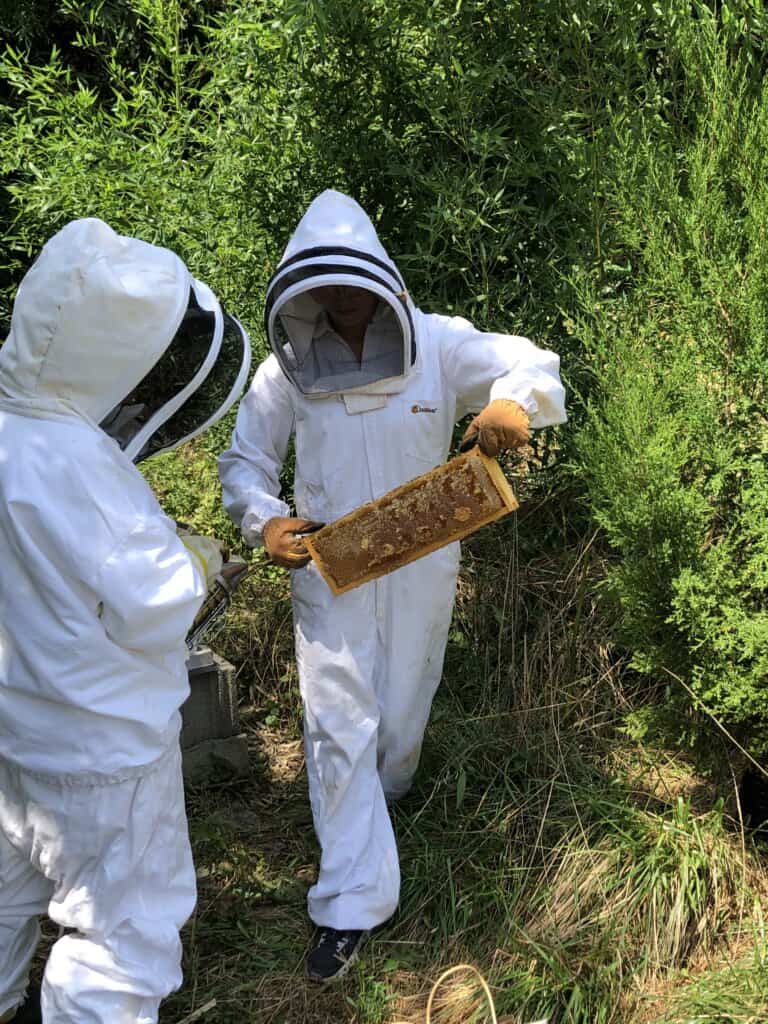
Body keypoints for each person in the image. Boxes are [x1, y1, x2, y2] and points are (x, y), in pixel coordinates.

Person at [218, 189, 566, 982]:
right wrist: (265, 521)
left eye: (353, 282)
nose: (341, 300)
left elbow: (532, 362)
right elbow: (245, 461)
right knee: (338, 720)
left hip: (422, 563)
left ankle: (381, 804)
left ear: (382, 276)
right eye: (323, 287)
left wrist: (513, 402)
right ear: (298, 291)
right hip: (331, 569)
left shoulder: (438, 343)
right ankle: (349, 901)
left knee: (401, 710)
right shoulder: (285, 371)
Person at [0, 218, 251, 1024]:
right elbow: (154, 600)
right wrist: (201, 560)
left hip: (18, 734)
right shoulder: (75, 460)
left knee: (9, 894)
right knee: (120, 939)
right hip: (100, 748)